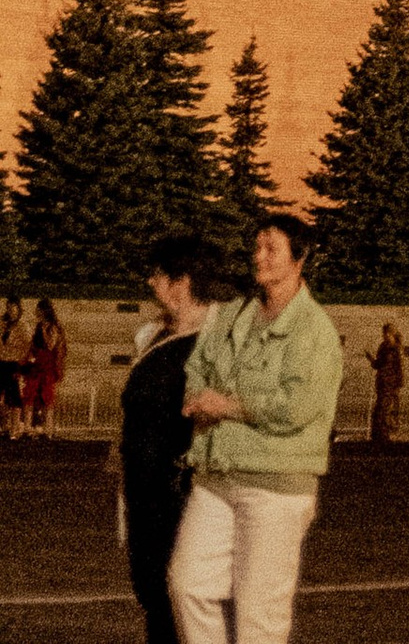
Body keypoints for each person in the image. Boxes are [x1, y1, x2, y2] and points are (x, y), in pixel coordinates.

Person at [169, 207, 345, 644]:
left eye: (272, 248)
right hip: (216, 476)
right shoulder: (232, 314)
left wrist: (226, 405)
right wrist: (199, 397)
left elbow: (298, 406)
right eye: (257, 246)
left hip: (276, 486)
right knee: (187, 584)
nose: (259, 256)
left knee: (257, 612)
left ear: (298, 260)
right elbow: (198, 365)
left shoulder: (314, 330)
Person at [121, 236, 226, 644]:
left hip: (179, 489)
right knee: (153, 592)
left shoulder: (212, 345)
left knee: (178, 596)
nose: (151, 283)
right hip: (144, 486)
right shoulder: (157, 337)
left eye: (158, 275)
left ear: (181, 282)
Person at [26, 300, 66, 436]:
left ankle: (48, 429)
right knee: (32, 395)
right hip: (38, 364)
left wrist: (44, 330)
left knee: (48, 398)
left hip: (48, 365)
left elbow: (50, 345)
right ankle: (31, 428)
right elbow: (33, 344)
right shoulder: (38, 326)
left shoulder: (52, 327)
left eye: (38, 310)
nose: (36, 312)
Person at [365, 322, 406, 447]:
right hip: (382, 382)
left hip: (391, 383)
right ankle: (378, 436)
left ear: (392, 334)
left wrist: (399, 382)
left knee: (386, 409)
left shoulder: (397, 348)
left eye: (387, 333)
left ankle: (385, 435)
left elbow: (400, 366)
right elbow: (378, 364)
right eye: (384, 333)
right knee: (379, 409)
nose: (385, 336)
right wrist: (370, 358)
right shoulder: (383, 346)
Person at [0, 296, 25, 439]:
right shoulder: (3, 323)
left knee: (14, 396)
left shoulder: (22, 326)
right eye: (8, 307)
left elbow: (27, 345)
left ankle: (14, 429)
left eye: (13, 307)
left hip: (13, 363)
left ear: (18, 309)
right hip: (1, 361)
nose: (10, 310)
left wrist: (21, 363)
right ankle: (4, 426)